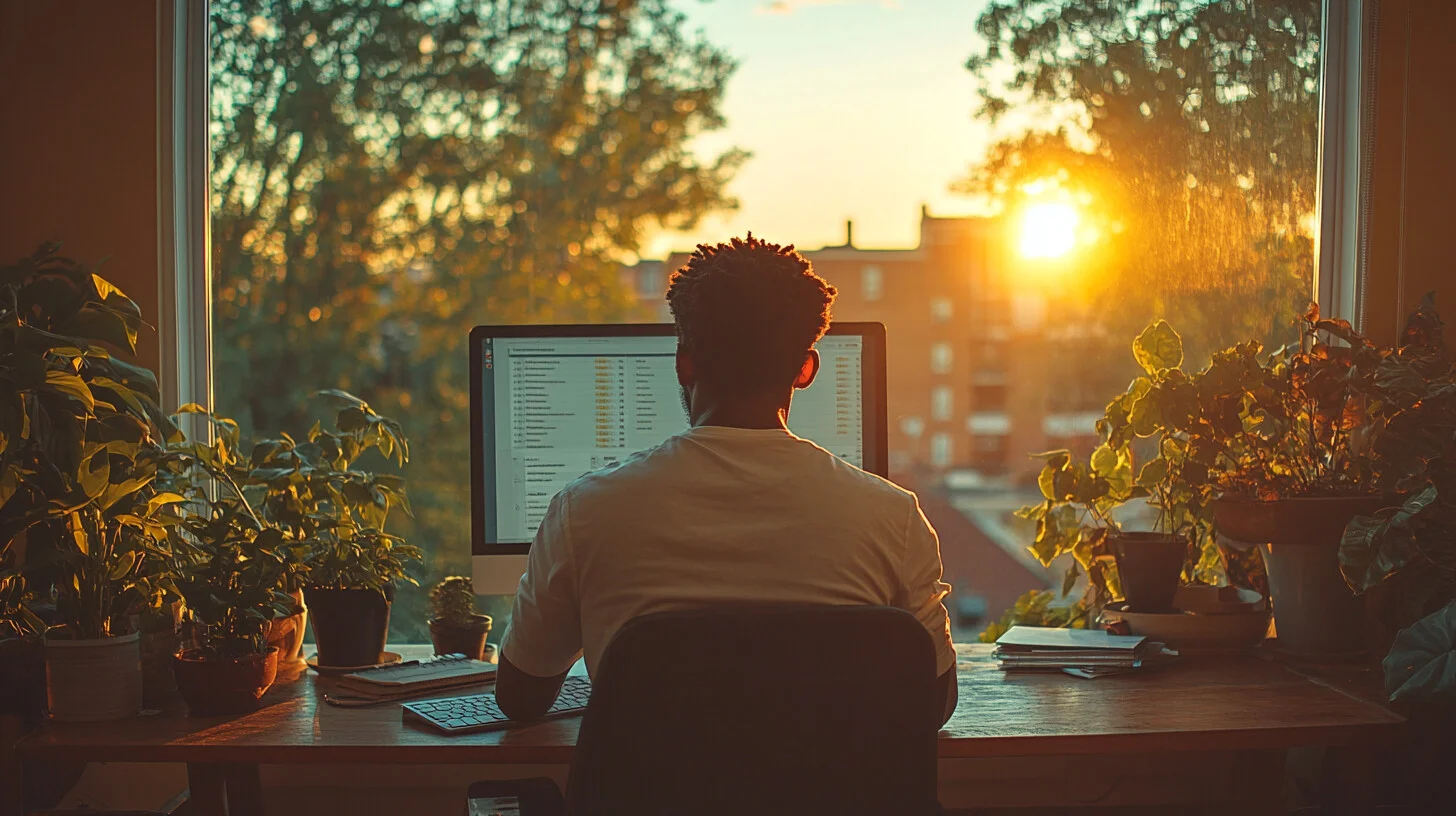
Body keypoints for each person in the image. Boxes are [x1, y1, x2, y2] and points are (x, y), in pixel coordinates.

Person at [495, 234, 957, 725]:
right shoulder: (894, 517)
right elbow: (934, 704)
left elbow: (521, 697)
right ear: (806, 369)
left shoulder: (584, 511)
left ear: (683, 364)